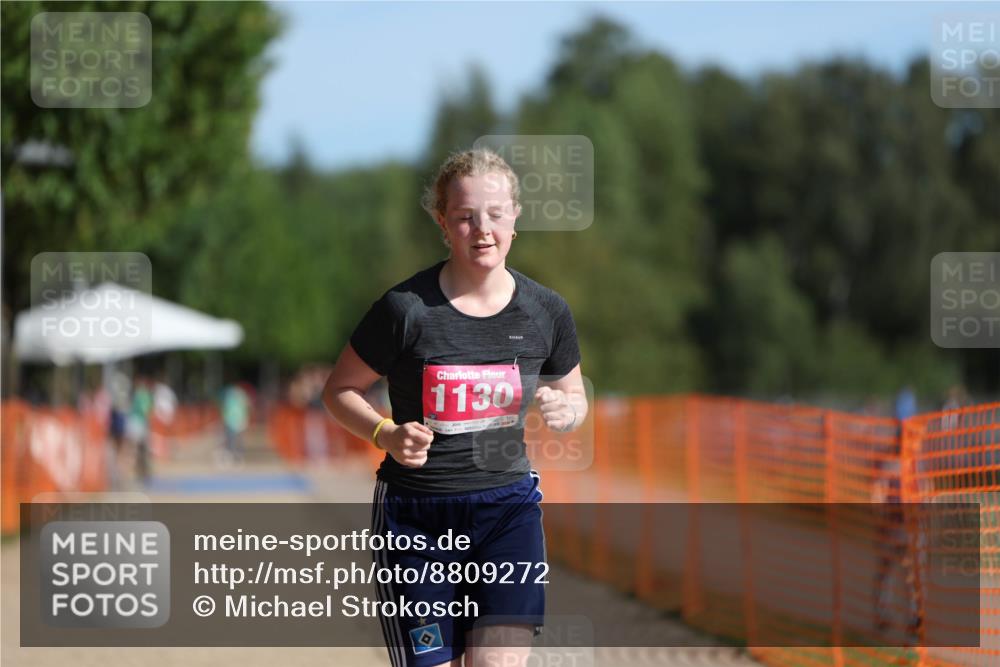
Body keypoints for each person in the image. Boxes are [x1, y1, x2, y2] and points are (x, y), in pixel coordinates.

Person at [323, 147, 587, 667]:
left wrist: (567, 410)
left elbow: (574, 396)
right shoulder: (405, 310)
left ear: (515, 218)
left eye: (495, 214)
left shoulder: (547, 311)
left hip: (507, 513)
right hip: (417, 519)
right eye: (465, 217)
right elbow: (339, 391)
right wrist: (385, 433)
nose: (482, 229)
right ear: (443, 222)